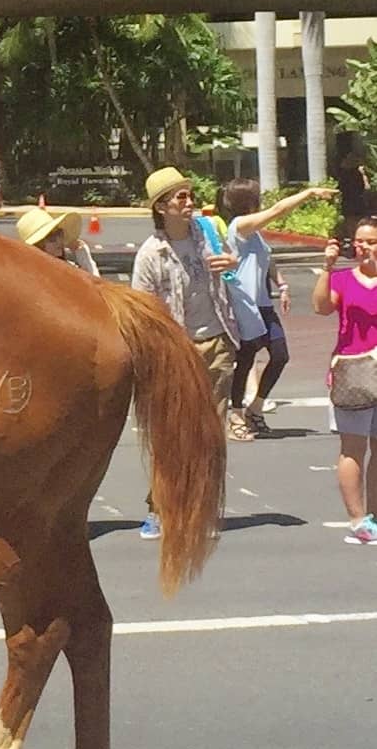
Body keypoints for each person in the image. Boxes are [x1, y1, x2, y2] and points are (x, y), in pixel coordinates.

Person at [131, 166, 238, 539]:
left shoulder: (206, 235)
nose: (189, 203)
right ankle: (159, 508)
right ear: (162, 207)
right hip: (176, 350)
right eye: (181, 197)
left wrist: (231, 266)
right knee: (171, 434)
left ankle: (202, 511)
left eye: (190, 195)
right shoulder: (150, 254)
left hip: (218, 341)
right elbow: (142, 312)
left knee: (211, 434)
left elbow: (228, 274)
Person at [223, 180, 336, 437]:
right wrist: (308, 193)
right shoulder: (239, 227)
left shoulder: (256, 233)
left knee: (280, 354)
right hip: (245, 305)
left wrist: (282, 285)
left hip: (263, 303)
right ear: (249, 202)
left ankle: (256, 407)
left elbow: (267, 259)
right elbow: (277, 211)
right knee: (245, 359)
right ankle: (237, 415)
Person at [312, 217, 377, 544]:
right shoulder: (342, 279)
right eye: (360, 241)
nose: (363, 247)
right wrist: (327, 267)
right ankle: (357, 520)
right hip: (353, 373)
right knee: (353, 447)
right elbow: (321, 307)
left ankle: (375, 516)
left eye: (371, 242)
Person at [16, 204, 99, 276]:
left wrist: (83, 255)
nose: (59, 240)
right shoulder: (35, 276)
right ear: (38, 246)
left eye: (59, 234)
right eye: (52, 238)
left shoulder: (67, 267)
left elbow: (96, 286)